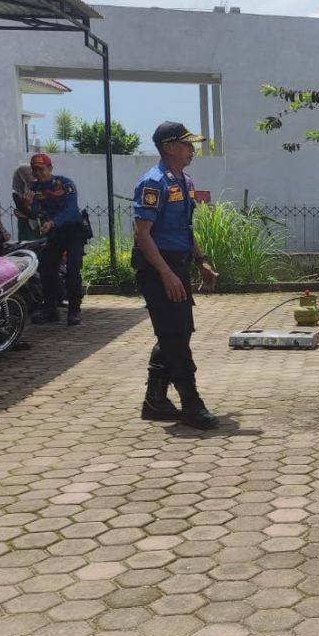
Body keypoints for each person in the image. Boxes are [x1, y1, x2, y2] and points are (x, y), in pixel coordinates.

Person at [132, 121, 219, 430]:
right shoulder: (152, 182)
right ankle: (191, 404)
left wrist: (200, 260)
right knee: (175, 337)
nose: (192, 149)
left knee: (178, 333)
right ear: (169, 147)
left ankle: (155, 399)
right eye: (186, 144)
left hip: (177, 264)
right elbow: (142, 233)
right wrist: (166, 274)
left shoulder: (185, 181)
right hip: (158, 268)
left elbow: (185, 226)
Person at [28, 153, 85, 325]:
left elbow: (71, 209)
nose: (38, 173)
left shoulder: (64, 184)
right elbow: (35, 212)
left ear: (50, 168)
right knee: (46, 267)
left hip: (74, 231)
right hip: (55, 233)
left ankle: (74, 310)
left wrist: (53, 222)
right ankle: (50, 309)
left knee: (73, 270)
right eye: (35, 170)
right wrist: (27, 204)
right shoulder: (35, 188)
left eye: (42, 169)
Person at [11, 163, 41, 242]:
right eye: (29, 174)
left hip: (41, 225)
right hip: (27, 226)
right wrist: (27, 205)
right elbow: (31, 214)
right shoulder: (17, 194)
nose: (33, 176)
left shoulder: (37, 188)